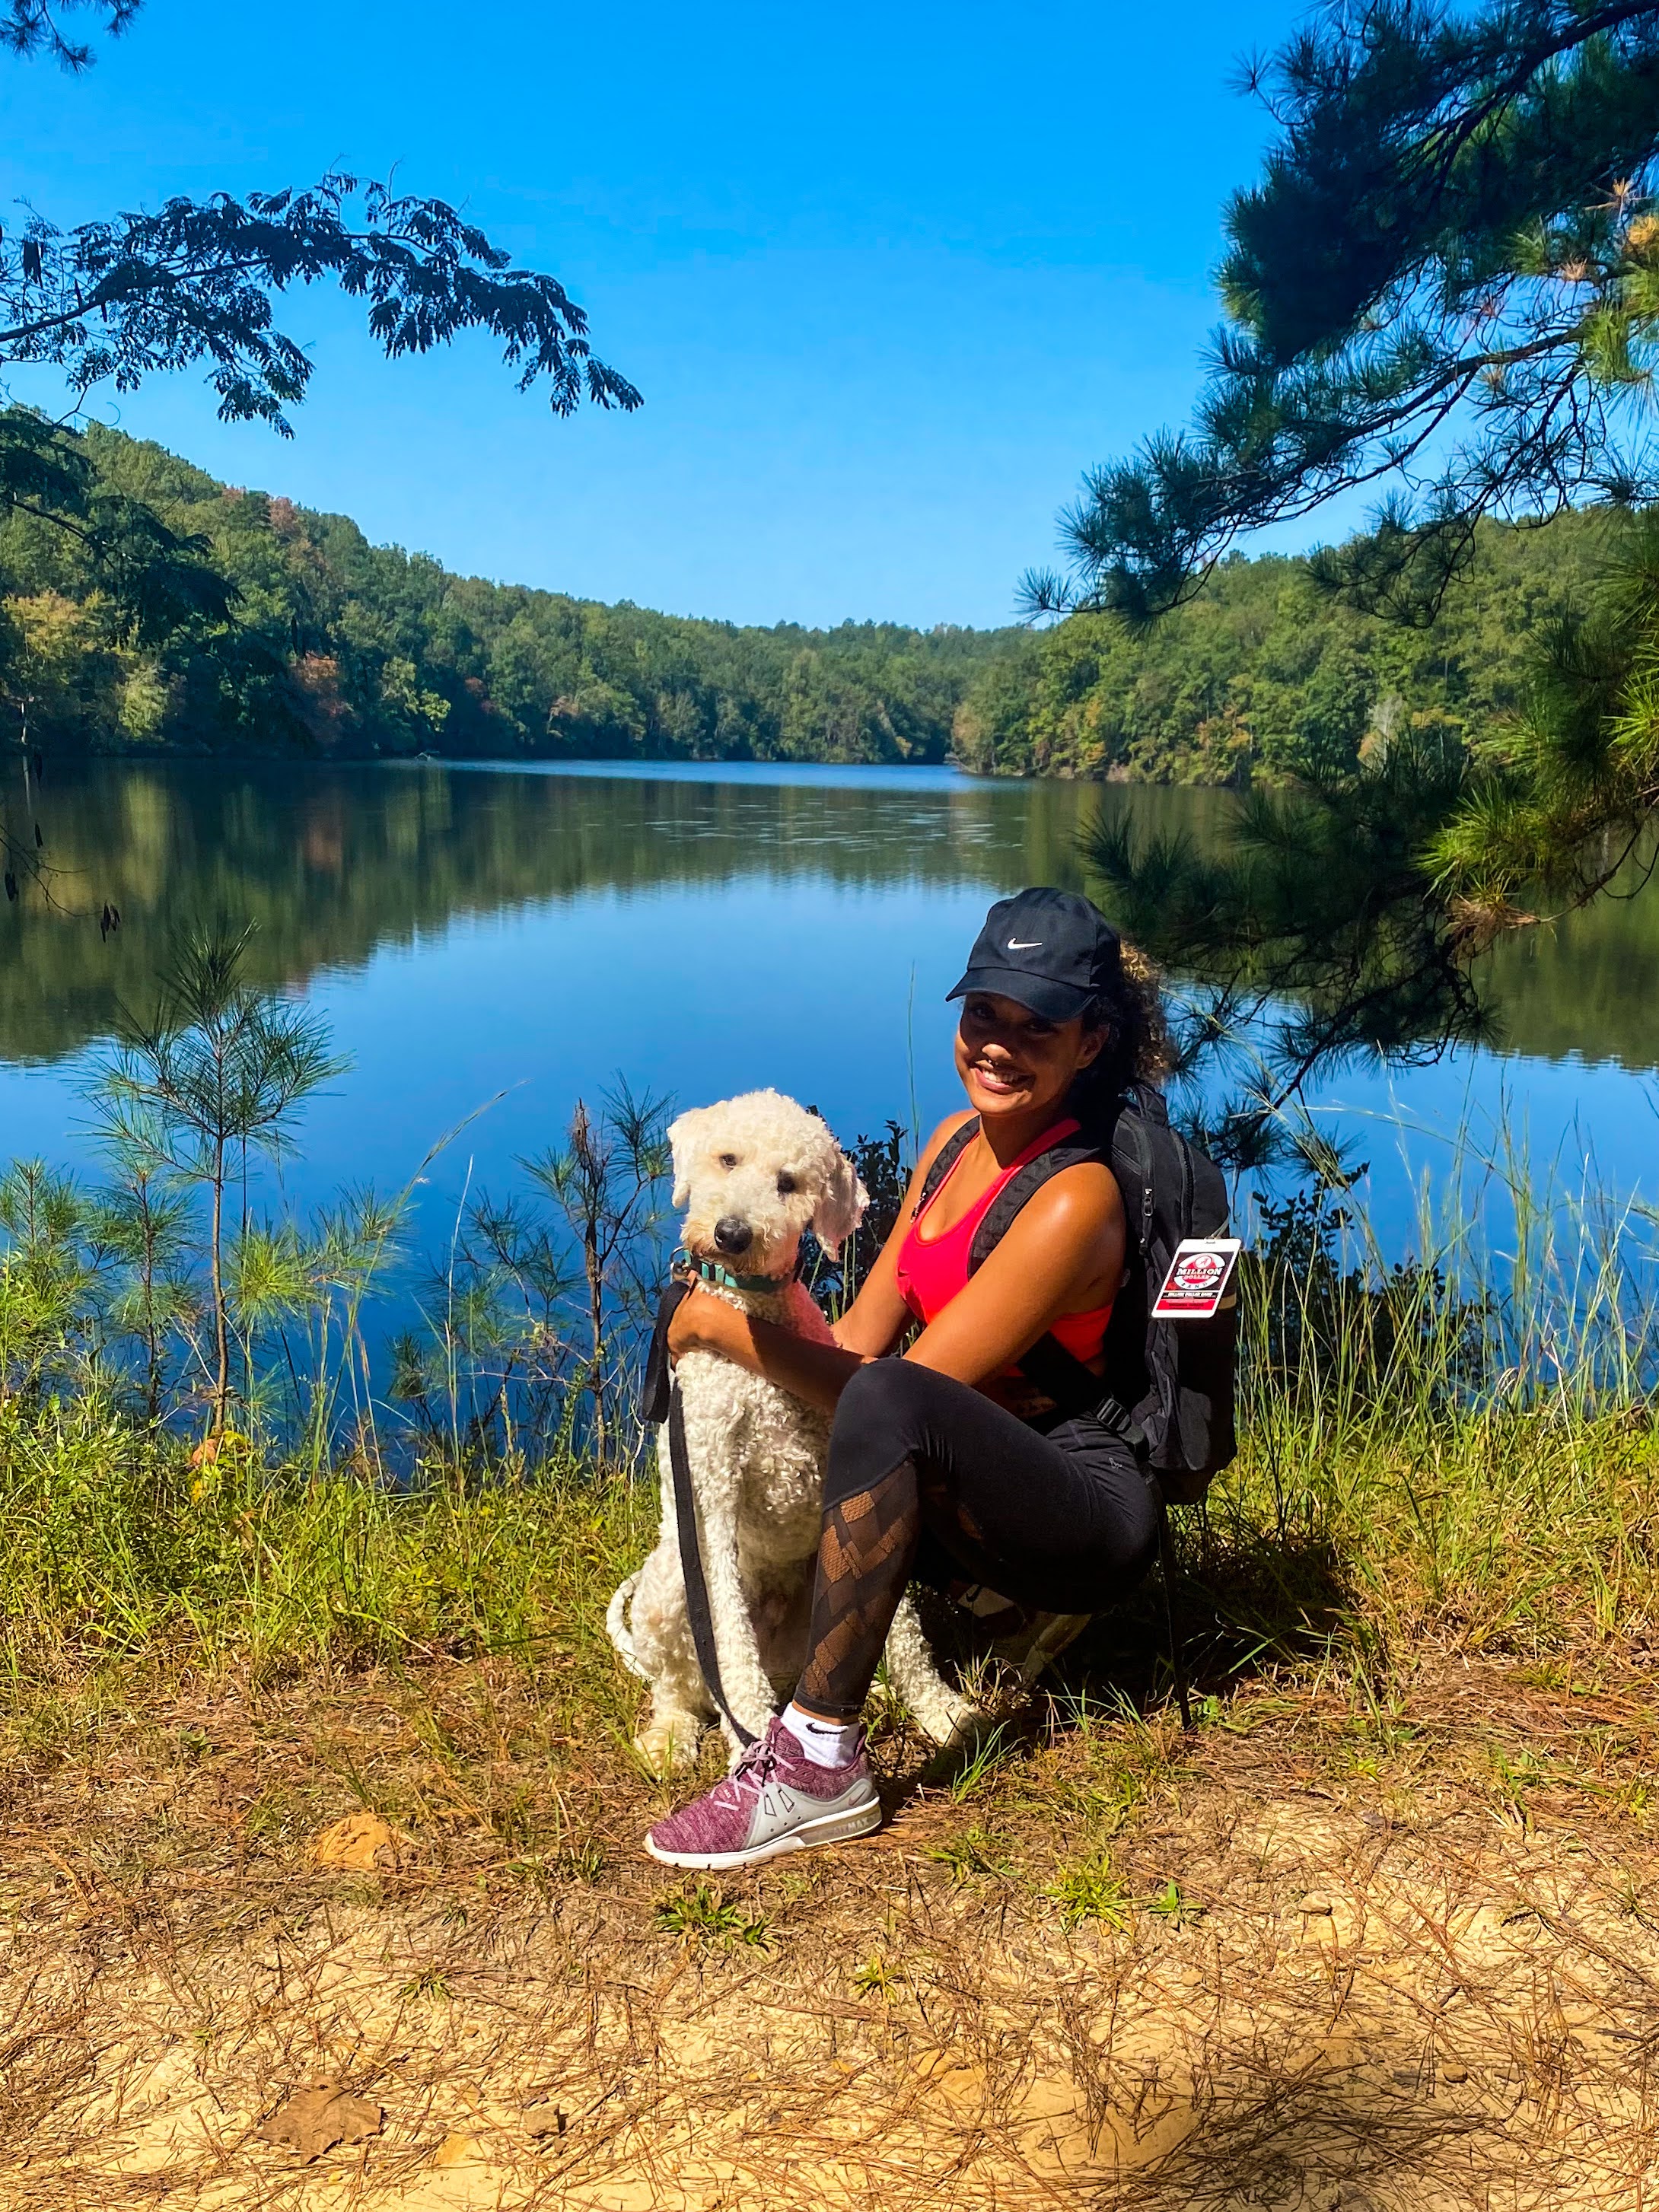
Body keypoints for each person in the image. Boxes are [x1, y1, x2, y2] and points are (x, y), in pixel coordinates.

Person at [645, 886, 1169, 1870]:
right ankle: (980, 1623)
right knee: (872, 1387)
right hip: (979, 1483)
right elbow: (851, 1334)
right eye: (984, 1015)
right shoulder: (951, 1148)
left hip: (1083, 1503)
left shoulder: (1075, 1199)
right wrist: (752, 1301)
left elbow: (892, 1392)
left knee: (886, 1394)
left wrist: (719, 1328)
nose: (1000, 1046)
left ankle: (814, 1764)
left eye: (1037, 1025)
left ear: (1091, 1043)